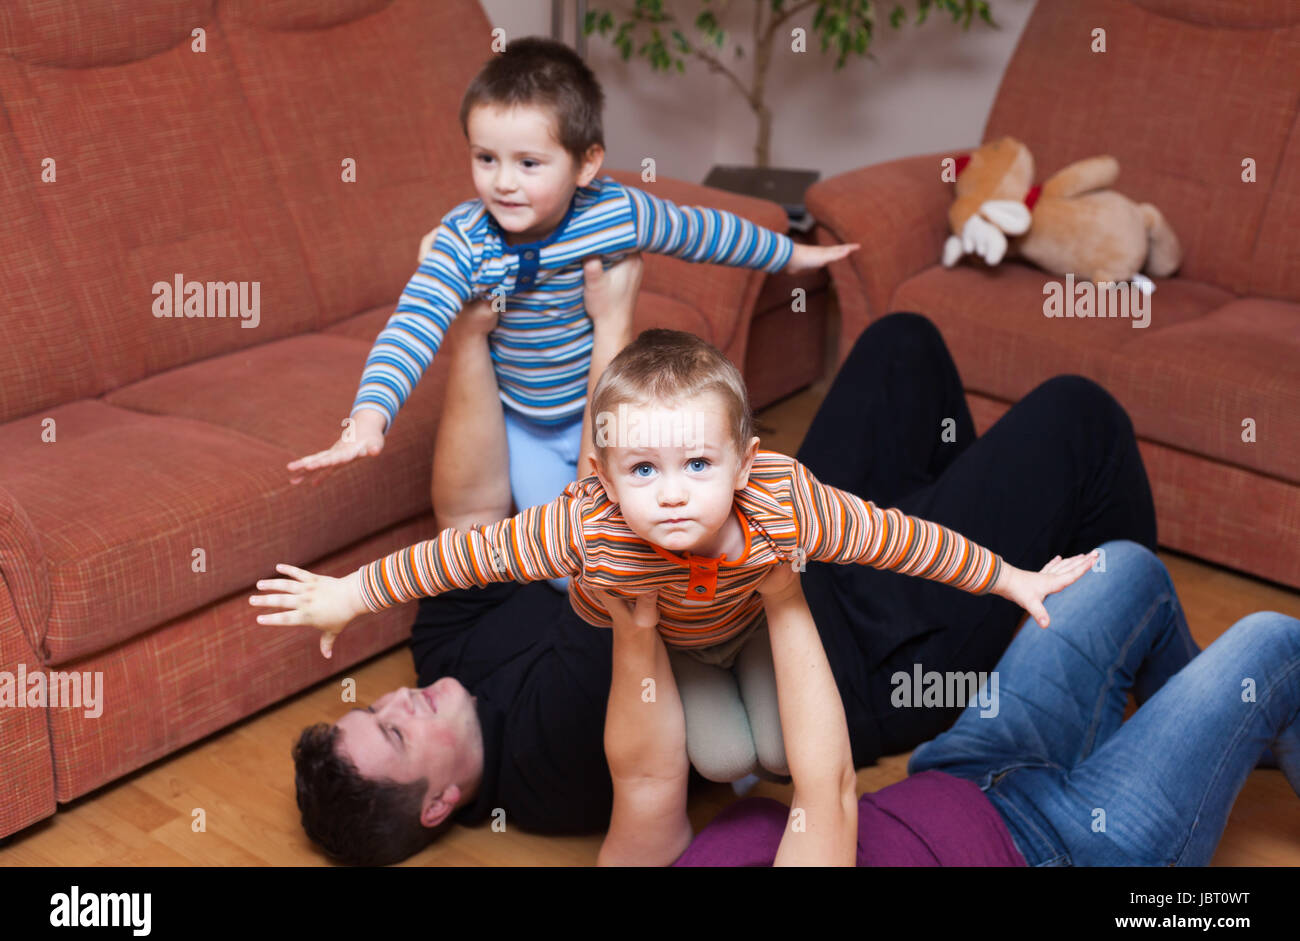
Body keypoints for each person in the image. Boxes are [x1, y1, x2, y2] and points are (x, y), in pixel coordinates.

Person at [276, 256, 1159, 866]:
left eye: (375, 706)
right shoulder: (545, 769)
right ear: (439, 804)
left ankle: (994, 598)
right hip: (861, 657)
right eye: (396, 733)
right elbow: (616, 513)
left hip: (785, 550)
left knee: (902, 343)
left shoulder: (445, 657)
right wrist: (612, 322)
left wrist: (353, 591)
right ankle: (1136, 681)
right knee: (1079, 417)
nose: (398, 698)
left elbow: (469, 527)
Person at [285, 35, 855, 570]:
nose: (503, 183)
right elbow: (413, 323)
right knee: (572, 560)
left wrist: (791, 255)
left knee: (652, 531)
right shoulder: (464, 241)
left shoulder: (618, 213)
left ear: (586, 164)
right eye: (486, 159)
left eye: (528, 164)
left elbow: (704, 231)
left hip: (599, 406)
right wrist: (368, 418)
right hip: (524, 425)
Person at [668, 539, 1300, 866]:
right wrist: (781, 595)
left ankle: (1233, 738)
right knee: (1277, 643)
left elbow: (642, 782)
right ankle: (1244, 722)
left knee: (1118, 567)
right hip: (1066, 845)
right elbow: (825, 786)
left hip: (962, 770)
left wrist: (638, 626)